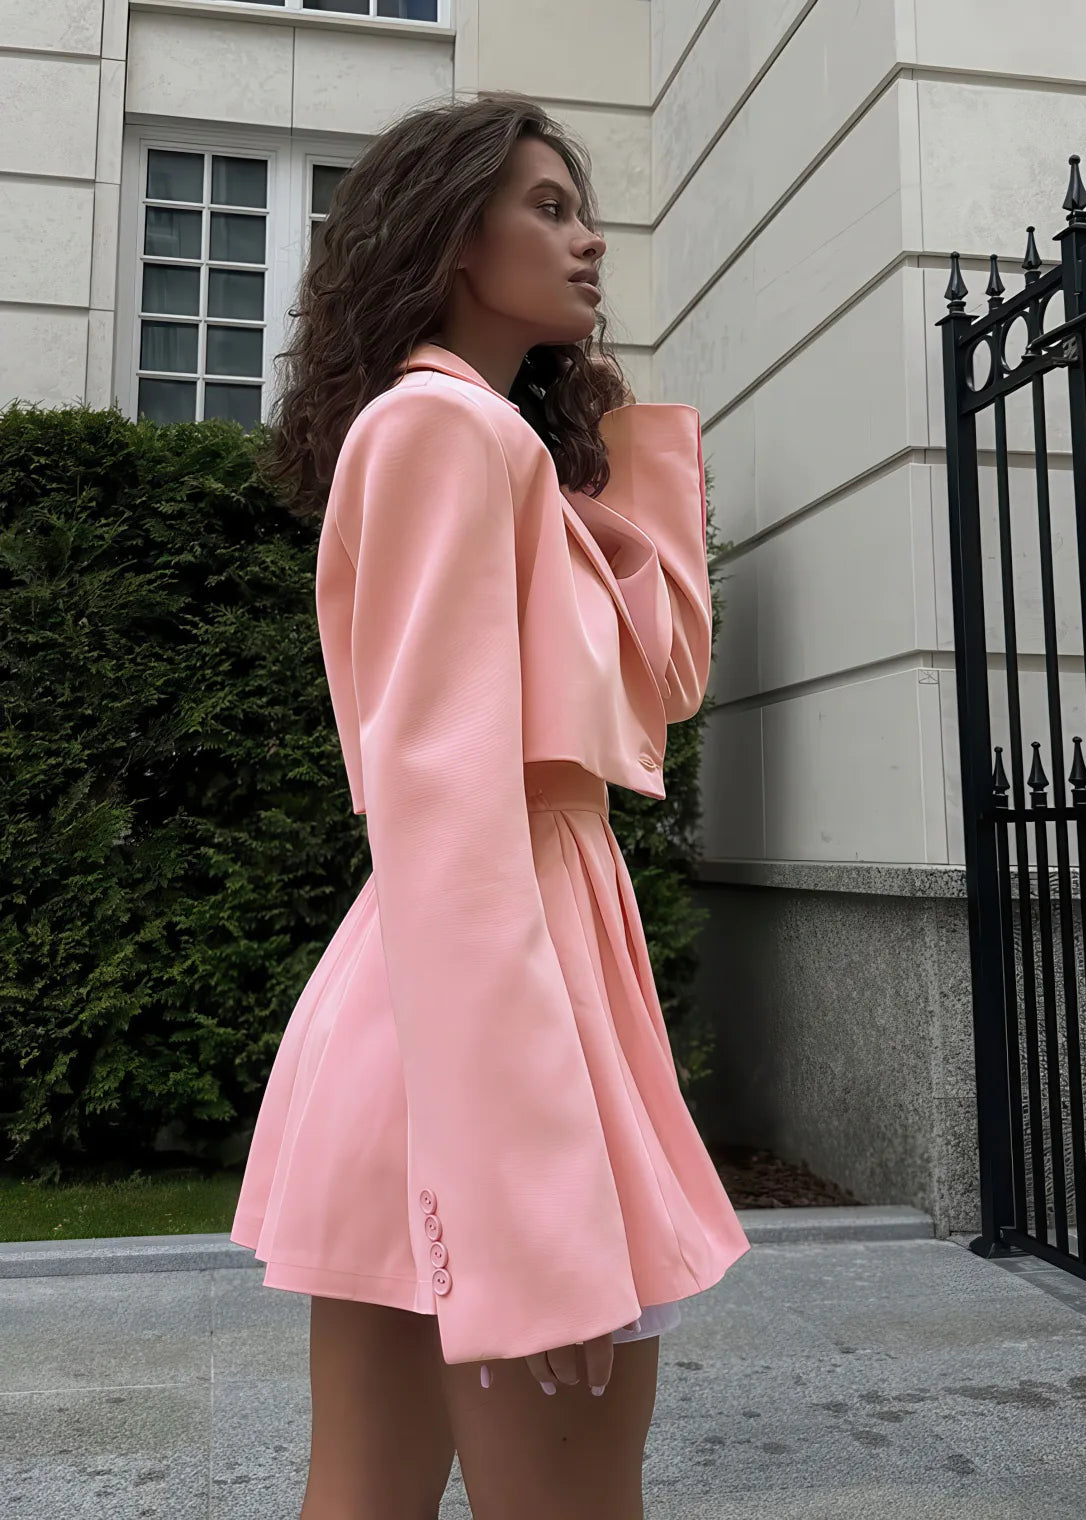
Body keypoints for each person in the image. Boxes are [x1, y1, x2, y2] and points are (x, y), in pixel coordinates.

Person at [229, 90, 750, 1520]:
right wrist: (538, 1228)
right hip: (494, 1002)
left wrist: (614, 437)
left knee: (368, 1497)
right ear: (455, 234)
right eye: (549, 206)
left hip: (451, 1016)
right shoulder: (446, 437)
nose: (590, 242)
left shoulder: (484, 443)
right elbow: (445, 811)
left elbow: (667, 674)